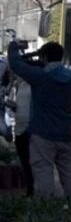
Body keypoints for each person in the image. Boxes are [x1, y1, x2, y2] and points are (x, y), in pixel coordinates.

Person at [7, 39, 71, 198]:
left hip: (42, 133)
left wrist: (14, 46)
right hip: (65, 132)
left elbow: (16, 64)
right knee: (69, 172)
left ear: (44, 57)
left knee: (43, 171)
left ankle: (45, 211)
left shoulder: (40, 76)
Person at [5, 60, 39, 196]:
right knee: (25, 160)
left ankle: (34, 189)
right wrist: (11, 105)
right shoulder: (20, 85)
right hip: (20, 128)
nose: (12, 74)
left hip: (29, 128)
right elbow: (19, 106)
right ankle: (30, 188)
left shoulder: (32, 85)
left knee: (31, 161)